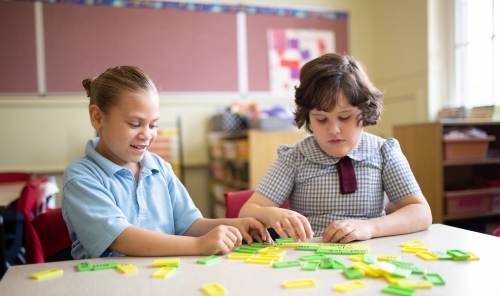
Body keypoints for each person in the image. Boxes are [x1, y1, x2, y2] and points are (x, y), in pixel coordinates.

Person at [62, 66, 269, 259]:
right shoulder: (81, 176)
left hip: (162, 278)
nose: (147, 135)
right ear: (97, 117)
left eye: (153, 125)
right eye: (134, 124)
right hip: (106, 284)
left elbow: (189, 225)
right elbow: (119, 238)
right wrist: (198, 246)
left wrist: (235, 225)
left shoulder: (158, 167)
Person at [239, 53, 432, 245]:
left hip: (369, 257)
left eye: (345, 117)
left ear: (365, 111)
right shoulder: (295, 158)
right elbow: (248, 210)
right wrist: (270, 214)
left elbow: (421, 212)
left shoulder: (383, 153)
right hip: (308, 261)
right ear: (308, 117)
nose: (334, 130)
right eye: (321, 119)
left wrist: (370, 227)